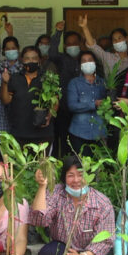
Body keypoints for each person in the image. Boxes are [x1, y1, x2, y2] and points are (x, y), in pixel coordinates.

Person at [30, 156, 115, 255]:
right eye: (70, 175)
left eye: (80, 175)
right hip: (65, 250)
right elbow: (39, 220)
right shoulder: (57, 193)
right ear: (64, 178)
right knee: (48, 254)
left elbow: (106, 241)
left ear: (89, 177)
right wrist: (42, 187)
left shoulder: (102, 203)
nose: (76, 180)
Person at [0, 46, 54, 148]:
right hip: (19, 133)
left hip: (42, 134)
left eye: (34, 58)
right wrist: (5, 83)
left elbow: (55, 100)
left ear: (39, 60)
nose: (31, 61)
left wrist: (50, 115)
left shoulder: (47, 79)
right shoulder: (15, 78)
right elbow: (6, 101)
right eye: (27, 58)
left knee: (42, 159)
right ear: (22, 60)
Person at [48, 21, 82, 158]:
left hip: (81, 108)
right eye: (69, 43)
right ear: (65, 46)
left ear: (80, 44)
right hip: (63, 108)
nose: (72, 46)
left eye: (75, 43)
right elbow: (52, 53)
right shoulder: (61, 59)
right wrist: (58, 33)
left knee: (77, 142)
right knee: (61, 140)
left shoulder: (86, 59)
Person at [67, 51, 107, 155]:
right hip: (79, 132)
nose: (87, 63)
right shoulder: (74, 83)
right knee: (80, 163)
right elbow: (72, 106)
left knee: (100, 163)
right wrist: (94, 104)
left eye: (90, 60)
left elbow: (108, 103)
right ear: (80, 65)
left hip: (99, 133)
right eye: (84, 61)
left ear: (95, 63)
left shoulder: (103, 82)